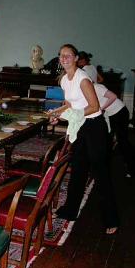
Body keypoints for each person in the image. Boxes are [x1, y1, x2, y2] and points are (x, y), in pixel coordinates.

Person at [48, 44, 119, 235]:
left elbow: (95, 106)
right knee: (78, 169)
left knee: (100, 172)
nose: (64, 58)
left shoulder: (83, 79)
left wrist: (74, 114)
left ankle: (111, 218)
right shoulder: (64, 79)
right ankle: (70, 211)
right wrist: (58, 114)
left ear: (76, 57)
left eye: (68, 55)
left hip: (94, 127)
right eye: (61, 55)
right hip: (80, 126)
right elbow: (69, 104)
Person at [93, 83, 135, 177]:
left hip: (120, 113)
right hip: (113, 114)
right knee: (113, 140)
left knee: (122, 142)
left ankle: (134, 168)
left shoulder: (96, 87)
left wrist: (100, 109)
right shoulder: (90, 89)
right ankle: (133, 166)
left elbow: (113, 97)